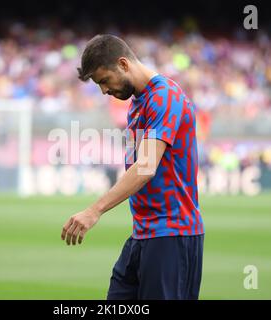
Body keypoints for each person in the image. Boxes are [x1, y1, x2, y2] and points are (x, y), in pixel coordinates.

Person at [61, 34, 205, 300]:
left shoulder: (164, 97)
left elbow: (146, 166)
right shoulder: (137, 104)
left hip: (171, 234)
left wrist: (94, 210)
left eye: (104, 80)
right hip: (143, 234)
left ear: (124, 64)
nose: (104, 91)